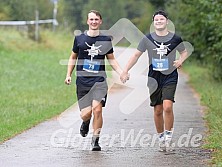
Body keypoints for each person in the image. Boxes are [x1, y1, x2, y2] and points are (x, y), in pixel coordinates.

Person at [120, 10, 188, 151]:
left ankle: (168, 137)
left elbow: (184, 51)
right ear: (153, 23)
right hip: (154, 78)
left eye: (161, 19)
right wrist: (125, 70)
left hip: (170, 76)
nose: (159, 21)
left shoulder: (175, 38)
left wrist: (181, 60)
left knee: (167, 106)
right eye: (156, 20)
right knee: (157, 110)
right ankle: (161, 137)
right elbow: (136, 55)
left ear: (167, 21)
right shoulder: (147, 39)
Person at [65, 10, 123, 151]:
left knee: (98, 110)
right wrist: (68, 74)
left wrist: (121, 72)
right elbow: (73, 57)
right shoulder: (79, 39)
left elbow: (112, 59)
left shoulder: (105, 40)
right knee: (86, 113)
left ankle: (95, 140)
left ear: (100, 21)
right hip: (83, 81)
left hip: (99, 81)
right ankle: (85, 122)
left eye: (96, 19)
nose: (94, 21)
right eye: (91, 19)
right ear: (87, 21)